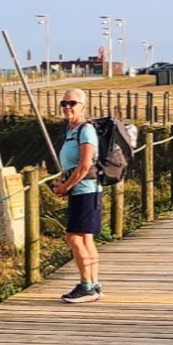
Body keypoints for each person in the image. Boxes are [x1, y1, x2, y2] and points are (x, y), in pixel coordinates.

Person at [49, 88, 103, 303]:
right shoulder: (71, 130)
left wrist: (65, 187)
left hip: (86, 190)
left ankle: (86, 286)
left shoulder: (85, 130)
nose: (67, 107)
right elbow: (73, 166)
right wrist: (64, 184)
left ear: (83, 106)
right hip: (80, 190)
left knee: (73, 236)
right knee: (85, 237)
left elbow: (84, 165)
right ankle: (93, 283)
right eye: (64, 103)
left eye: (72, 103)